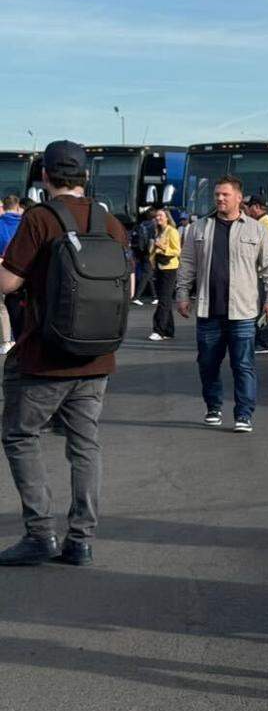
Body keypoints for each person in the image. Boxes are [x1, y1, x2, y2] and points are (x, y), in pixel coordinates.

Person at [0, 140, 132, 566]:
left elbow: (8, 284)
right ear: (85, 177)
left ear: (44, 177)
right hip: (97, 357)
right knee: (85, 444)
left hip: (44, 356)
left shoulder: (39, 219)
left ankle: (40, 533)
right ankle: (81, 539)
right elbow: (127, 289)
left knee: (20, 435)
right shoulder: (109, 222)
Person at [175, 175, 268, 433]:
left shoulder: (256, 229)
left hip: (242, 312)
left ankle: (244, 414)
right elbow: (187, 263)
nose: (219, 198)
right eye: (216, 195)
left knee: (243, 365)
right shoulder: (198, 228)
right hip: (208, 310)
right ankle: (213, 407)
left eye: (225, 194)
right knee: (207, 363)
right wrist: (182, 294)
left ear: (238, 198)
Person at [244, 195, 268, 354]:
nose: (248, 211)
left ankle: (264, 342)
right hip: (260, 273)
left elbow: (266, 252)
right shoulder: (263, 223)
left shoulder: (265, 224)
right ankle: (264, 340)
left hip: (263, 274)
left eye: (250, 207)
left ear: (256, 207)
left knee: (264, 309)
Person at [148, 208, 181, 342]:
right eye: (156, 216)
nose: (158, 218)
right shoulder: (158, 231)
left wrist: (162, 248)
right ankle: (168, 330)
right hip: (159, 267)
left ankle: (159, 330)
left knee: (164, 300)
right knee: (164, 299)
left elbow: (177, 251)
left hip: (169, 268)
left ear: (167, 217)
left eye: (161, 215)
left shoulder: (172, 231)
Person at [0, 194, 25, 352]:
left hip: (2, 267)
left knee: (2, 307)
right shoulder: (26, 223)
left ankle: (6, 341)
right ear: (17, 207)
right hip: (23, 268)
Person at [131, 208, 158, 306]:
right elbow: (151, 241)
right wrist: (151, 254)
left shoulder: (142, 224)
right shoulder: (153, 226)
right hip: (148, 253)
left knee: (149, 275)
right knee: (147, 274)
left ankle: (155, 296)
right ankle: (136, 297)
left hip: (140, 251)